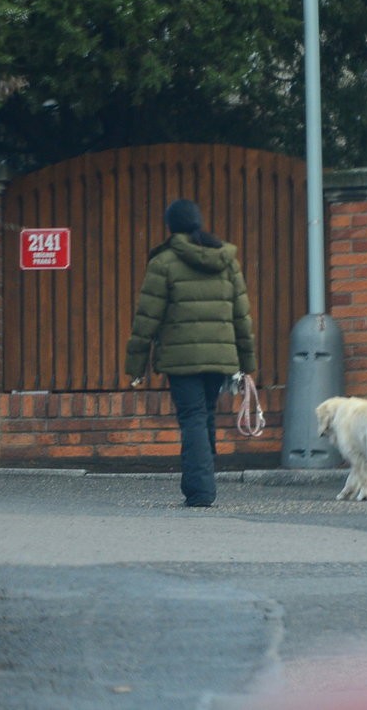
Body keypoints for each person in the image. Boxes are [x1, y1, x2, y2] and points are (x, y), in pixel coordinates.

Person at [125, 199, 256, 507]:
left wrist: (136, 365)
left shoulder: (164, 262)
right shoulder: (226, 260)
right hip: (221, 358)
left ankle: (200, 491)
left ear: (170, 226)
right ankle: (201, 483)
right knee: (206, 414)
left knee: (193, 417)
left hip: (180, 360)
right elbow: (242, 317)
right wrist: (247, 363)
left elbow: (147, 318)